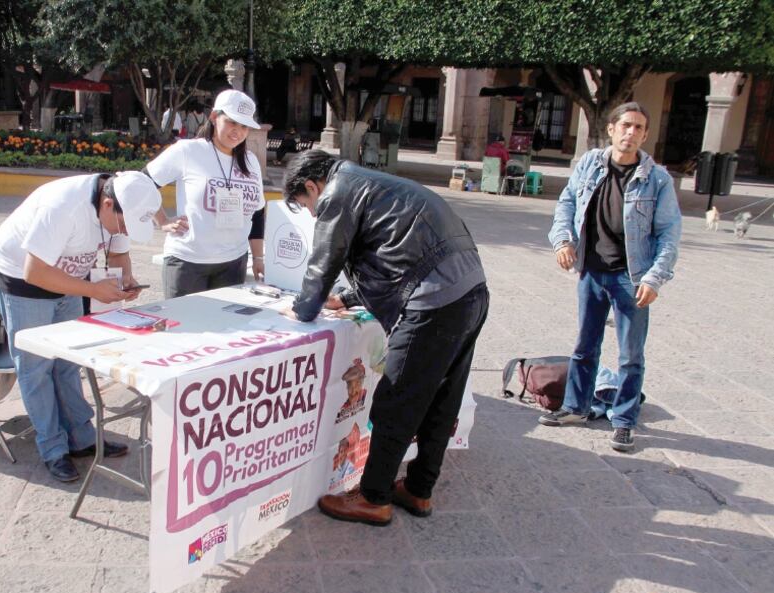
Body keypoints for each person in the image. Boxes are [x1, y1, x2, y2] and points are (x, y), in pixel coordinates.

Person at [282, 149, 489, 526]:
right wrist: (344, 298)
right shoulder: (375, 184)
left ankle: (374, 497)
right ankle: (418, 490)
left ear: (313, 186)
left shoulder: (339, 191)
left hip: (433, 303)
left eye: (307, 205)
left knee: (397, 402)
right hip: (471, 292)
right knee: (442, 400)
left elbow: (323, 260)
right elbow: (398, 258)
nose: (313, 214)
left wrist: (302, 309)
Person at [0, 172, 161, 482]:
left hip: (67, 279)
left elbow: (120, 252)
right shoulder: (63, 207)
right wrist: (94, 290)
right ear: (107, 205)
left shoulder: (121, 204)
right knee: (36, 368)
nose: (124, 231)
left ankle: (82, 439)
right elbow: (35, 272)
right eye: (123, 225)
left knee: (69, 362)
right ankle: (53, 449)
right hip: (22, 282)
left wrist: (125, 280)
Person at [539, 102, 682, 452]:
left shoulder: (658, 179)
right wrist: (562, 240)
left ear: (645, 135)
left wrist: (654, 278)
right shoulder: (589, 164)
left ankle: (624, 420)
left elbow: (669, 232)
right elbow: (567, 203)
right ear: (613, 129)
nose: (631, 133)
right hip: (591, 271)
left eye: (638, 128)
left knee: (630, 354)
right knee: (585, 347)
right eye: (626, 126)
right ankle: (576, 407)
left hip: (631, 278)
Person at [146, 89, 266, 299]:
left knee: (224, 329)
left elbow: (257, 213)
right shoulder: (187, 151)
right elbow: (142, 183)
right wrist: (162, 220)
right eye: (232, 122)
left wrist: (257, 257)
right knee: (186, 329)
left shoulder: (251, 162)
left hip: (233, 262)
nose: (237, 131)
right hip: (188, 262)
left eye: (244, 126)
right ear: (213, 117)